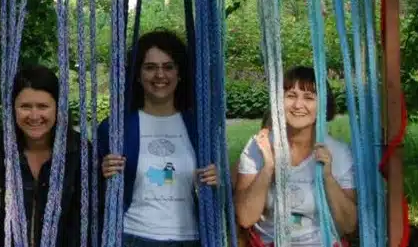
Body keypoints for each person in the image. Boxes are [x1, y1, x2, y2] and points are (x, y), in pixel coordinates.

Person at [98, 29, 219, 247]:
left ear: (179, 73)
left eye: (168, 67)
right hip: (133, 237)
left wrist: (218, 179)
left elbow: (223, 191)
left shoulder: (199, 128)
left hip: (189, 239)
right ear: (137, 74)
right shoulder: (116, 129)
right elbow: (92, 190)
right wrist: (102, 171)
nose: (160, 75)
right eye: (150, 67)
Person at [234, 66, 357, 246]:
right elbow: (245, 218)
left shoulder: (338, 152)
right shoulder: (259, 146)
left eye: (309, 98)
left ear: (323, 105)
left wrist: (328, 178)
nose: (298, 105)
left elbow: (349, 225)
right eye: (291, 96)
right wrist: (268, 168)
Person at [0, 65, 83, 247]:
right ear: (13, 109)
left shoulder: (80, 153)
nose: (34, 116)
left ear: (58, 109)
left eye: (43, 106)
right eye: (25, 106)